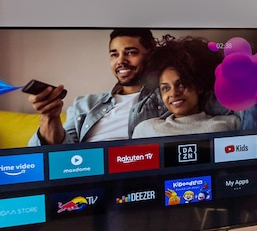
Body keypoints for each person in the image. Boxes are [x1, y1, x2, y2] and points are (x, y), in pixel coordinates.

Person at [29, 28, 166, 145]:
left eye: (131, 52)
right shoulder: (83, 104)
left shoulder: (167, 99)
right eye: (114, 54)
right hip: (88, 165)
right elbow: (62, 152)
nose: (120, 61)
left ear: (150, 55)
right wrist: (49, 117)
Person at [131, 37, 240, 138]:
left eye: (181, 84)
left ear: (199, 86)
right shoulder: (145, 129)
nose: (174, 93)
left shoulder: (229, 124)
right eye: (166, 88)